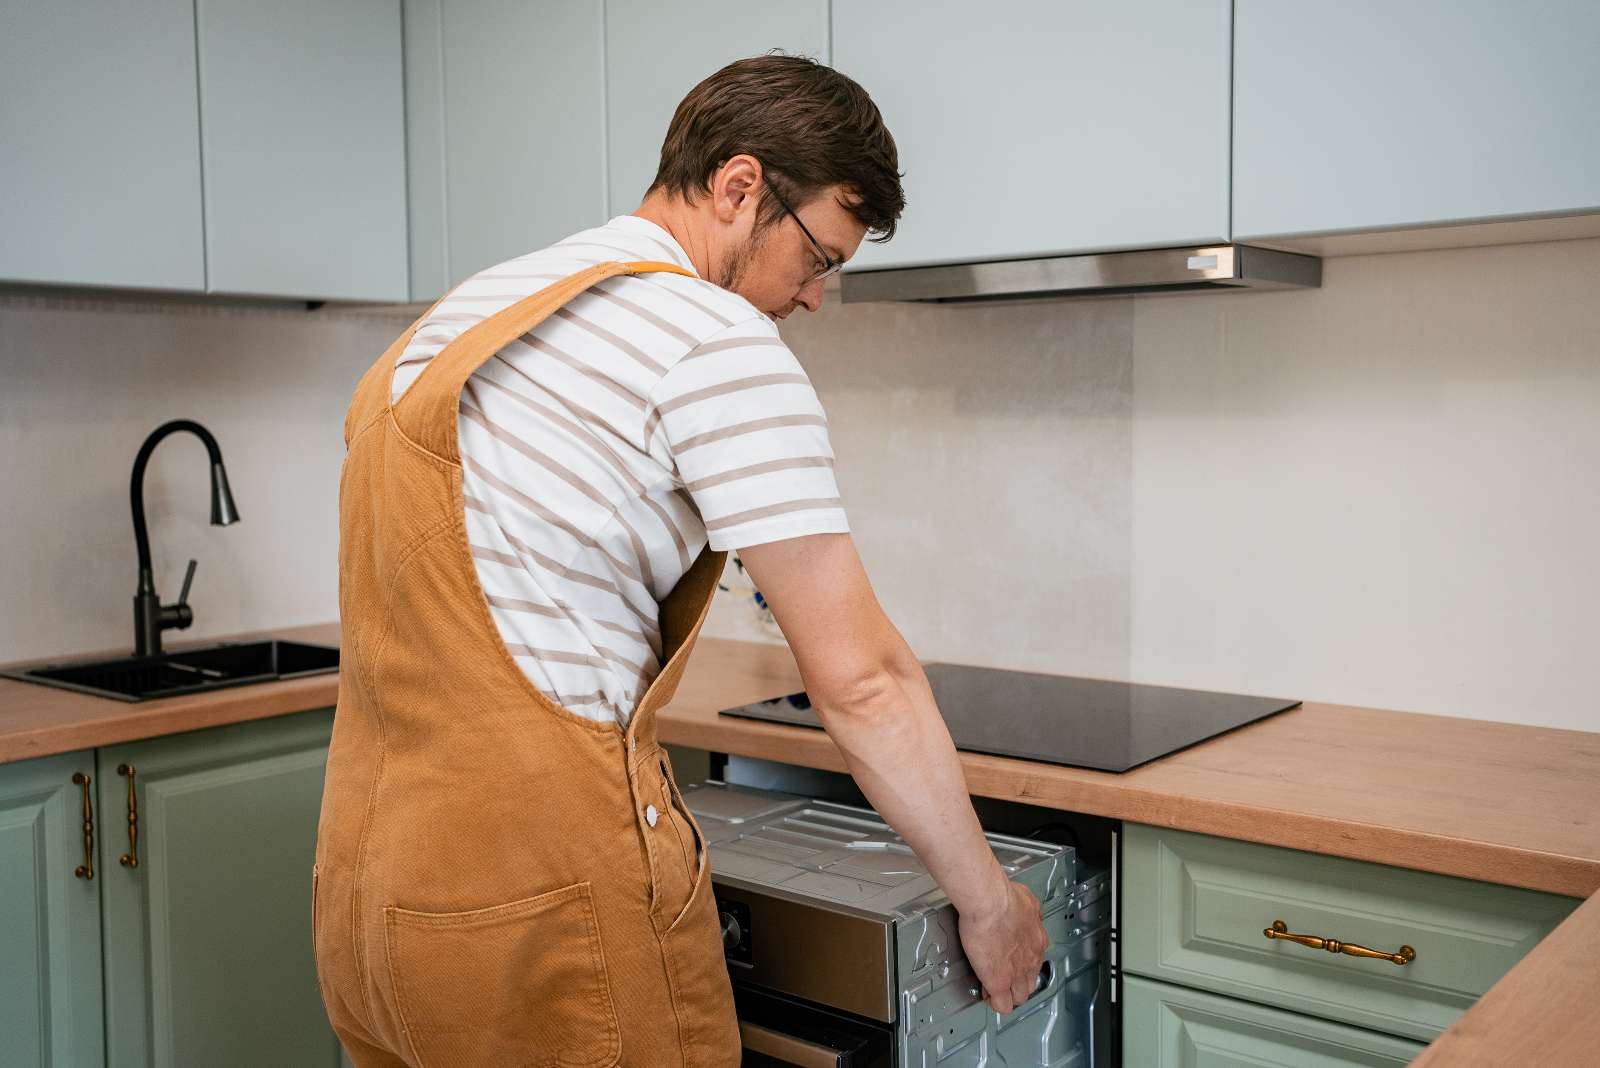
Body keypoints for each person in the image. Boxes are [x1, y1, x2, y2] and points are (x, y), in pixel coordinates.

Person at [312, 53, 1047, 1068]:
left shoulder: (462, 314)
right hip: (545, 908)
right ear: (741, 186)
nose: (817, 296)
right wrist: (989, 901)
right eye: (820, 256)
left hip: (370, 900)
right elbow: (862, 681)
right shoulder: (713, 338)